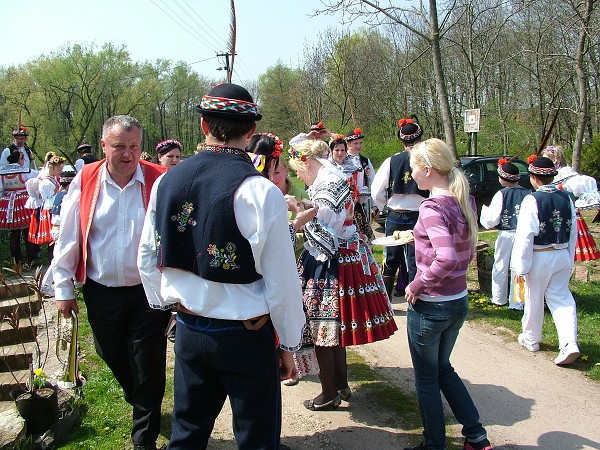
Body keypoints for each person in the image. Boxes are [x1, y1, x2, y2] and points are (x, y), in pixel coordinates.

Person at [137, 83, 306, 450]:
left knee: (186, 434)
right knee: (257, 440)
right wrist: (290, 343)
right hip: (244, 336)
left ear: (203, 126)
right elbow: (283, 283)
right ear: (251, 132)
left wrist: (168, 305)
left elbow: (147, 257)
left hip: (189, 330)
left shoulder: (167, 180)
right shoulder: (260, 191)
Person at [53, 115, 170, 450]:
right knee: (111, 353)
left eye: (134, 147)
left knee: (147, 363)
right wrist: (63, 288)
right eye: (119, 146)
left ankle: (143, 438)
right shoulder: (86, 179)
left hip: (147, 293)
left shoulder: (158, 179)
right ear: (103, 145)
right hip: (101, 291)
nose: (127, 154)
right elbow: (69, 237)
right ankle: (143, 404)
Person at [288, 138, 397, 412]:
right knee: (334, 329)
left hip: (329, 264)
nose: (299, 176)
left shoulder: (325, 184)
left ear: (306, 162)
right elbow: (331, 219)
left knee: (322, 328)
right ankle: (340, 384)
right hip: (345, 258)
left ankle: (328, 393)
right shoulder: (334, 176)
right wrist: (305, 209)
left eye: (298, 170)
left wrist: (297, 218)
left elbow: (327, 237)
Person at [404, 138, 492, 450]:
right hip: (457, 301)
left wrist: (416, 285)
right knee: (443, 369)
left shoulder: (431, 207)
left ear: (427, 170)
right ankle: (477, 437)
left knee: (427, 379)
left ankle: (434, 444)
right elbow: (460, 253)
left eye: (414, 167)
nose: (411, 173)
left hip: (432, 306)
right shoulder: (463, 200)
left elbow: (447, 257)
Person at [511, 155, 580, 366]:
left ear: (533, 177)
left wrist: (520, 267)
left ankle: (531, 338)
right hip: (561, 253)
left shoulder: (532, 200)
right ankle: (569, 342)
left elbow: (525, 236)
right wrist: (569, 257)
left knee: (533, 297)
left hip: (540, 255)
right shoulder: (566, 197)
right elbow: (573, 231)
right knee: (562, 299)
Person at [371, 117, 428, 299]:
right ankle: (415, 299)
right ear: (420, 139)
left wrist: (382, 205)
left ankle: (386, 302)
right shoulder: (427, 160)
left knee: (391, 259)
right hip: (420, 214)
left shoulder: (392, 160)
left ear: (402, 140)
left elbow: (376, 191)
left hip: (395, 215)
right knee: (415, 258)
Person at [479, 159, 531, 309]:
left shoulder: (501, 194)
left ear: (503, 178)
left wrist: (485, 211)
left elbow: (491, 220)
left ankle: (499, 298)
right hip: (524, 235)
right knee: (519, 266)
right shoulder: (529, 193)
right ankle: (518, 302)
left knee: (501, 265)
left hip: (507, 233)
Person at [541, 145, 600, 261]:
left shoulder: (567, 175)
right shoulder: (554, 174)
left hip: (567, 210)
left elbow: (579, 187)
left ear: (555, 160)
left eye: (546, 159)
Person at [0, 149, 38, 272]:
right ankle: (31, 260)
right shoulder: (25, 170)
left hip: (8, 203)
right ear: (19, 159)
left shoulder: (2, 172)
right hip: (23, 202)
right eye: (22, 159)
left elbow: (1, 189)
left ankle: (16, 261)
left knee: (14, 234)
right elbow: (38, 176)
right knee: (28, 232)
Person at [28, 155, 65, 255]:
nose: (60, 170)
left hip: (53, 207)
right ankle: (51, 258)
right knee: (52, 238)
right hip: (50, 209)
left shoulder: (53, 179)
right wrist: (59, 193)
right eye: (58, 168)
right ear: (51, 167)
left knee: (55, 238)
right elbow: (49, 199)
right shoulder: (46, 182)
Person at [345, 127, 375, 241]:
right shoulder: (342, 159)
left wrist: (375, 205)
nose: (359, 146)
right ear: (348, 144)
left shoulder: (365, 161)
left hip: (363, 200)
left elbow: (373, 181)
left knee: (364, 228)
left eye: (360, 143)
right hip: (347, 201)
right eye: (355, 143)